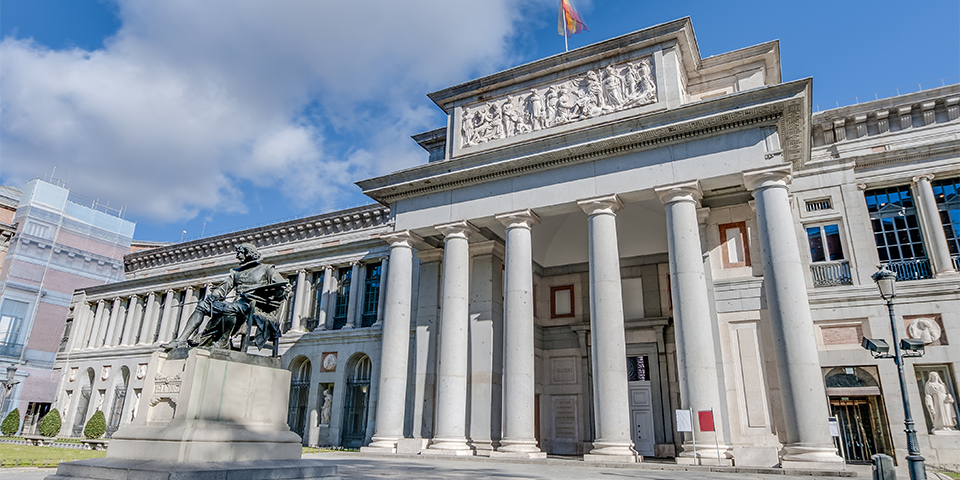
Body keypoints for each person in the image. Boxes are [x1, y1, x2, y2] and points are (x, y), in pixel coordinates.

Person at [162, 243, 290, 350]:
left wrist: (285, 290)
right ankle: (181, 340)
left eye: (240, 253)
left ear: (248, 253)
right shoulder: (236, 272)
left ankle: (223, 341)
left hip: (256, 307)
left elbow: (283, 287)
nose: (237, 256)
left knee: (230, 308)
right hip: (239, 304)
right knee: (203, 305)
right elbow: (223, 289)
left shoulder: (266, 269)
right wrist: (214, 295)